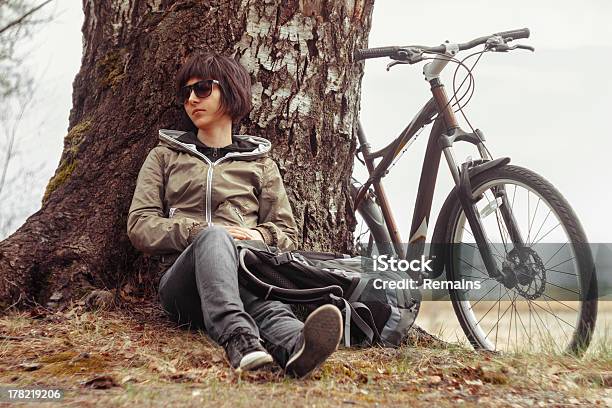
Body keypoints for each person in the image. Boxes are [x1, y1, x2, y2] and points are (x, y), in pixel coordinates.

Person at [127, 53, 343, 378]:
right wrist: (203, 231)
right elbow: (140, 226)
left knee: (268, 306)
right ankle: (238, 339)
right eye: (185, 93)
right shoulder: (164, 156)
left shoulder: (260, 165)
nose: (191, 99)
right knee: (214, 237)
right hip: (183, 284)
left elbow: (286, 232)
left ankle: (298, 346)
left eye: (201, 89)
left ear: (230, 91)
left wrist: (259, 236)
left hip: (246, 273)